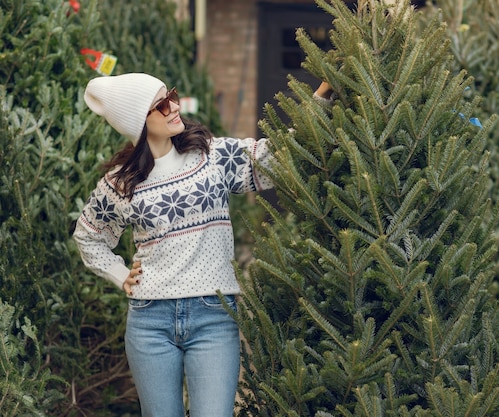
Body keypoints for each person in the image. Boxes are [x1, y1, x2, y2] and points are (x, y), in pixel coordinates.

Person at [73, 72, 333, 417]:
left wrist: (324, 94)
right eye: (162, 104)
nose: (175, 107)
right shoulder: (121, 183)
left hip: (214, 317)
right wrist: (119, 274)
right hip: (150, 322)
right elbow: (88, 235)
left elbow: (281, 154)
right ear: (139, 121)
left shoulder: (212, 156)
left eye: (173, 96)